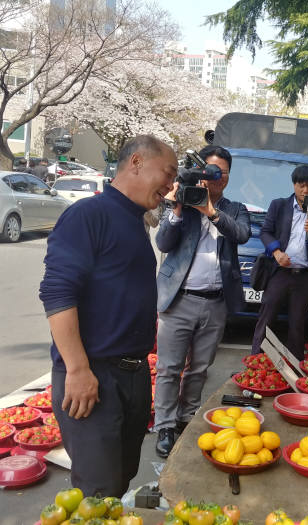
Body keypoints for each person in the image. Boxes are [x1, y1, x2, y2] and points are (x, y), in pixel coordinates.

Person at [39, 135, 177, 497]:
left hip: (131, 376)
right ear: (136, 162)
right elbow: (57, 293)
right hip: (94, 376)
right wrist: (78, 369)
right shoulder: (88, 215)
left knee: (121, 477)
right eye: (168, 172)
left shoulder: (135, 220)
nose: (171, 185)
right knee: (97, 491)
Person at [153, 145, 251, 457]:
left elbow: (242, 234)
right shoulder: (181, 200)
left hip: (216, 302)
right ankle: (165, 426)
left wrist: (210, 210)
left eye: (219, 173)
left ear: (228, 176)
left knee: (199, 369)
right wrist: (179, 208)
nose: (214, 177)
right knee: (169, 368)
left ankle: (186, 419)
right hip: (179, 299)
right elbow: (163, 241)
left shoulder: (235, 208)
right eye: (209, 171)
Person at [250, 165, 308, 360]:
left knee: (297, 323)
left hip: (304, 276)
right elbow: (265, 231)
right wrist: (277, 252)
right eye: (301, 185)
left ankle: (295, 367)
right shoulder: (279, 205)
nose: (306, 191)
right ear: (294, 185)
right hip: (280, 273)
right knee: (266, 317)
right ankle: (255, 361)